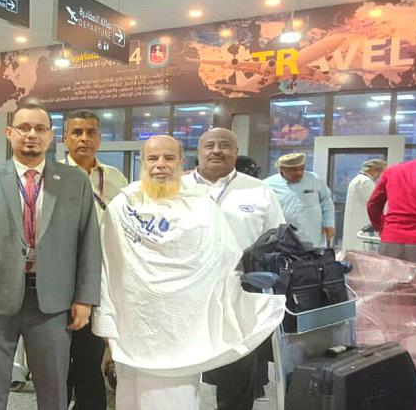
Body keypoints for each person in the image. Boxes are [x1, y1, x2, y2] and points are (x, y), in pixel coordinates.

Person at [93, 135, 284, 410]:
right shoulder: (123, 205)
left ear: (182, 162)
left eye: (169, 158)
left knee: (173, 398)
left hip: (180, 325)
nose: (160, 164)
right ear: (143, 163)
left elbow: (222, 260)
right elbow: (107, 263)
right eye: (152, 158)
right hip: (132, 321)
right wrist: (105, 316)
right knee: (129, 397)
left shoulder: (202, 205)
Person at [0, 103, 101, 409]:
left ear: (51, 136)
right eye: (24, 127)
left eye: (40, 128)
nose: (32, 134)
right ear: (9, 133)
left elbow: (89, 243)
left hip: (53, 303)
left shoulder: (75, 181)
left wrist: (85, 299)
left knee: (54, 390)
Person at [184, 128, 285, 410]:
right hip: (184, 292)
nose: (217, 150)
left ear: (236, 152)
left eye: (225, 145)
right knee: (182, 369)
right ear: (199, 151)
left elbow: (276, 240)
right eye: (210, 145)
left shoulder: (259, 191)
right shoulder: (176, 188)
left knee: (238, 369)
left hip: (240, 292)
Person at [61, 109, 128, 410]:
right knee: (59, 358)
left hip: (103, 278)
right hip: (63, 277)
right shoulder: (51, 176)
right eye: (77, 132)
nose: (84, 138)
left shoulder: (115, 178)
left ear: (100, 138)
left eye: (91, 132)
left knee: (90, 354)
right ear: (65, 138)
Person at [368, 136, 416, 327]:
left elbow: (373, 204)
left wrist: (383, 228)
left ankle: (391, 331)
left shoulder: (392, 170)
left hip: (390, 241)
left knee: (392, 289)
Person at [264, 153, 335, 247]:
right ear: (282, 169)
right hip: (283, 239)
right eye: (294, 170)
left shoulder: (314, 179)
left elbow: (326, 201)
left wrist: (329, 224)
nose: (299, 173)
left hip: (312, 235)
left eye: (302, 169)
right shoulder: (268, 185)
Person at [342, 159, 387, 251]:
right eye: (381, 172)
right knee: (361, 249)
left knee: (354, 247)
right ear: (373, 170)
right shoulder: (366, 182)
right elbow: (375, 202)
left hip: (357, 223)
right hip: (362, 223)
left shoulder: (357, 180)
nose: (380, 176)